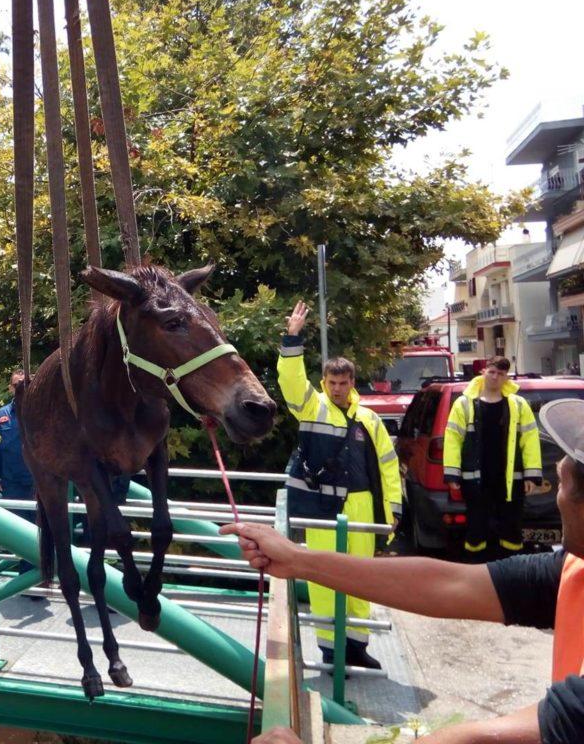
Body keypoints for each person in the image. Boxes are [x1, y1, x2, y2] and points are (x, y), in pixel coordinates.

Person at [222, 397, 584, 744]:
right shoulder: (572, 570)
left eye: (565, 481)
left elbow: (501, 737)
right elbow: (452, 584)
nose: (558, 485)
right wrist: (298, 560)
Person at [278, 300, 401, 670]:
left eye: (343, 383)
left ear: (352, 382)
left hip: (361, 505)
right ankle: (331, 651)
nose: (337, 388)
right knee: (324, 580)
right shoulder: (310, 407)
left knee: (360, 578)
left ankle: (358, 646)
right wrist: (292, 337)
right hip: (321, 510)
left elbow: (388, 467)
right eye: (331, 383)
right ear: (324, 383)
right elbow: (289, 380)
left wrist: (393, 509)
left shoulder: (369, 419)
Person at [444, 356, 541, 561]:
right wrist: (452, 474)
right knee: (476, 529)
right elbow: (453, 439)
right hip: (475, 480)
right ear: (483, 372)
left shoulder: (518, 405)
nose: (496, 377)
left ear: (507, 377)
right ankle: (476, 571)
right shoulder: (464, 404)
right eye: (492, 372)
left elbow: (530, 440)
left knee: (511, 528)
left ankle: (510, 572)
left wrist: (531, 475)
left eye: (501, 373)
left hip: (510, 480)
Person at [0, 370, 36, 576]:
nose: (20, 389)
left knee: (38, 533)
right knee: (19, 534)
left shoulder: (41, 413)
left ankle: (37, 579)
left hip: (38, 485)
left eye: (25, 384)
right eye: (17, 385)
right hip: (12, 484)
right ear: (10, 388)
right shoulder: (1, 416)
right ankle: (27, 579)